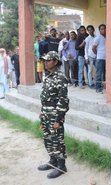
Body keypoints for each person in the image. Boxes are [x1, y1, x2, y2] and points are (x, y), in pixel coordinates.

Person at [38, 51, 69, 179]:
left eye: (48, 60)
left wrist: (58, 119)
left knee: (57, 140)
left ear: (55, 62)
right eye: (44, 60)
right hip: (46, 113)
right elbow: (45, 97)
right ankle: (53, 161)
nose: (45, 62)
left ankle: (61, 167)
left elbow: (63, 100)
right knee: (47, 138)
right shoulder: (49, 76)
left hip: (55, 114)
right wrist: (42, 113)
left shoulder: (60, 77)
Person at [92, 24, 106, 93]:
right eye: (102, 29)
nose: (103, 30)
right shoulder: (98, 38)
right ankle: (98, 88)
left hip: (107, 58)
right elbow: (93, 48)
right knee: (99, 73)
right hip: (100, 58)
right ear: (99, 30)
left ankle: (103, 85)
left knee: (105, 73)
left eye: (104, 28)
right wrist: (97, 54)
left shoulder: (107, 37)